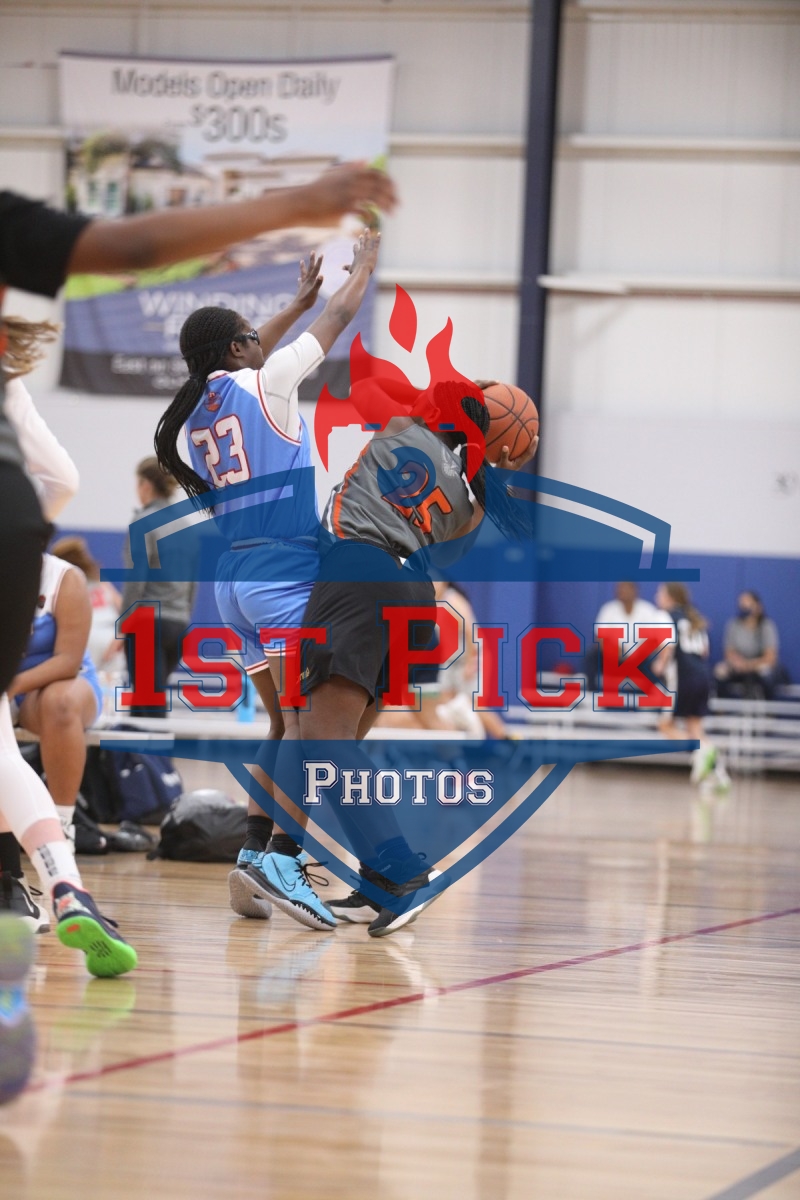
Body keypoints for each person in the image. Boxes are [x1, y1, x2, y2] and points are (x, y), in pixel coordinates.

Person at [239, 381, 538, 937]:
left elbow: (389, 391)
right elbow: (451, 548)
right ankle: (376, 876)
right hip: (414, 597)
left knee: (322, 738)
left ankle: (404, 874)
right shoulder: (469, 503)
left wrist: (479, 404)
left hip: (358, 574)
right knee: (338, 745)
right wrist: (495, 464)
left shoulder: (402, 430)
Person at [153, 230, 381, 925]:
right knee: (312, 724)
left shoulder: (195, 411)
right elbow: (338, 318)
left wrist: (294, 304)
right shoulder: (270, 381)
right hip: (285, 575)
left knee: (282, 722)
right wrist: (363, 270)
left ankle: (254, 855)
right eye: (252, 336)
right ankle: (284, 861)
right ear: (237, 348)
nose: (264, 340)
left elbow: (255, 354)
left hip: (233, 583)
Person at [0, 317, 135, 974]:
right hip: (13, 535)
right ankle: (64, 884)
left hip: (54, 681)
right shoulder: (6, 371)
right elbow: (62, 478)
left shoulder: (68, 581)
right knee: (3, 757)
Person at [120, 458, 197, 717]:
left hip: (147, 622)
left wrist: (123, 623)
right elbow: (193, 583)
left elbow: (136, 580)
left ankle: (157, 747)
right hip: (178, 623)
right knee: (145, 701)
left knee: (149, 706)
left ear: (145, 485)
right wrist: (184, 616)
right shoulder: (188, 527)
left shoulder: (143, 522)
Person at [654, 583, 728, 788]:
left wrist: (659, 665)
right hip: (703, 676)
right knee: (695, 727)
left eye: (660, 592)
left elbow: (668, 645)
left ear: (670, 597)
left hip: (683, 677)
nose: (657, 596)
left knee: (664, 725)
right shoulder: (694, 617)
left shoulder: (665, 615)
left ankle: (702, 751)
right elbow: (704, 652)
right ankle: (719, 776)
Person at [51, 536, 124, 676]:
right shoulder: (100, 580)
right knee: (111, 685)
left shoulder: (63, 583)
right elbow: (124, 609)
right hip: (110, 636)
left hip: (83, 637)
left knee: (83, 682)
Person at [714, 591, 785, 701]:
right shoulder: (733, 625)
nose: (745, 608)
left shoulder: (766, 626)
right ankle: (722, 709)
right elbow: (729, 653)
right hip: (739, 666)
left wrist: (750, 665)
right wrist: (738, 663)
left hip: (758, 666)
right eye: (742, 605)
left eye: (748, 604)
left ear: (758, 606)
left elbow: (770, 657)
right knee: (720, 671)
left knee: (766, 673)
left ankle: (767, 708)